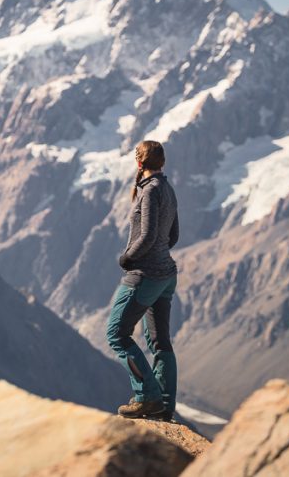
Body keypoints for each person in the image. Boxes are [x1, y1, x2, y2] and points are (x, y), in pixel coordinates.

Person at [106, 139, 179, 420]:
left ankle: (147, 396)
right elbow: (173, 236)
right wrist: (159, 253)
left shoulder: (149, 191)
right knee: (160, 342)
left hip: (145, 275)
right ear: (161, 162)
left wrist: (128, 258)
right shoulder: (168, 188)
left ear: (139, 162)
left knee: (117, 334)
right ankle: (164, 405)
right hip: (166, 275)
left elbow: (147, 235)